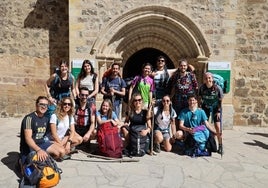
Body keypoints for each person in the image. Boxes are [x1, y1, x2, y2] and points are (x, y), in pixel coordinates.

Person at [19, 96, 65, 164]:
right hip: (29, 146)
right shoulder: (29, 118)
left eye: (46, 105)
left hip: (42, 143)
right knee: (34, 167)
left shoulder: (46, 118)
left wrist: (54, 142)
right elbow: (28, 138)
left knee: (62, 152)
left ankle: (46, 158)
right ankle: (20, 161)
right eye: (41, 104)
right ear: (36, 105)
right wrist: (39, 150)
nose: (44, 107)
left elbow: (46, 134)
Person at [198, 72, 224, 154]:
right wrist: (200, 108)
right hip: (206, 107)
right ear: (204, 80)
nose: (208, 80)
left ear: (212, 79)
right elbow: (199, 98)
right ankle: (206, 143)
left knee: (218, 127)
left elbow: (220, 100)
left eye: (209, 78)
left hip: (216, 108)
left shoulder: (217, 88)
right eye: (206, 78)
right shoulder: (202, 88)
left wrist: (219, 111)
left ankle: (220, 145)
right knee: (203, 126)